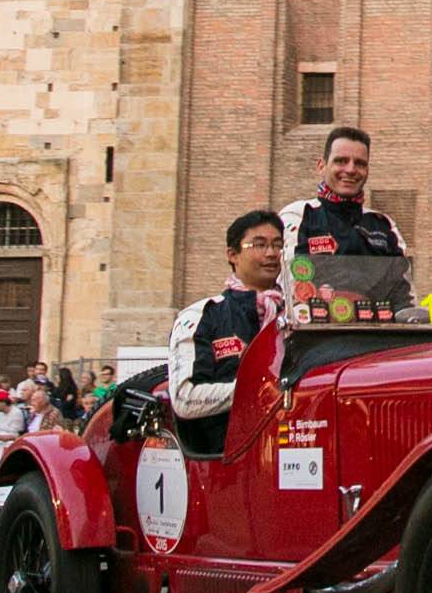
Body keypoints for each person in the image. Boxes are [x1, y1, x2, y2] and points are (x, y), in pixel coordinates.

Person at [168, 208, 286, 455]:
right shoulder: (202, 316)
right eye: (259, 244)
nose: (271, 253)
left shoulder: (299, 314)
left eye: (278, 245)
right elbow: (185, 398)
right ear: (233, 254)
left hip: (293, 446)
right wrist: (260, 392)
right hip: (228, 459)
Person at [279, 127, 409, 298]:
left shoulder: (384, 224)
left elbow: (404, 292)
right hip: (315, 321)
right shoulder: (297, 215)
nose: (350, 170)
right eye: (341, 161)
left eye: (360, 163)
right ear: (321, 166)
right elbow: (291, 282)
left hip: (377, 323)